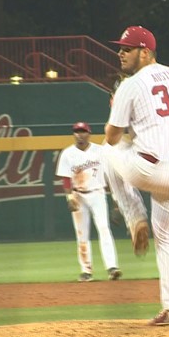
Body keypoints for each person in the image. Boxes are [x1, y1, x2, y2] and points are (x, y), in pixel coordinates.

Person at [103, 26, 169, 326]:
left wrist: (118, 108)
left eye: (127, 48)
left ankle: (133, 216)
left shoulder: (131, 85)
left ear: (145, 52)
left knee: (104, 151)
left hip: (149, 169)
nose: (120, 53)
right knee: (168, 237)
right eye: (120, 48)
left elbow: (113, 136)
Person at [56, 121, 122, 282]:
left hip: (97, 193)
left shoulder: (100, 151)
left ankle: (112, 267)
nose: (79, 134)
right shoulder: (67, 153)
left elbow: (110, 177)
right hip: (78, 195)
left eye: (83, 131)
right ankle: (86, 270)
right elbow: (66, 178)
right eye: (77, 131)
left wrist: (115, 203)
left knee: (104, 229)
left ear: (89, 133)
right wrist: (69, 197)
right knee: (82, 234)